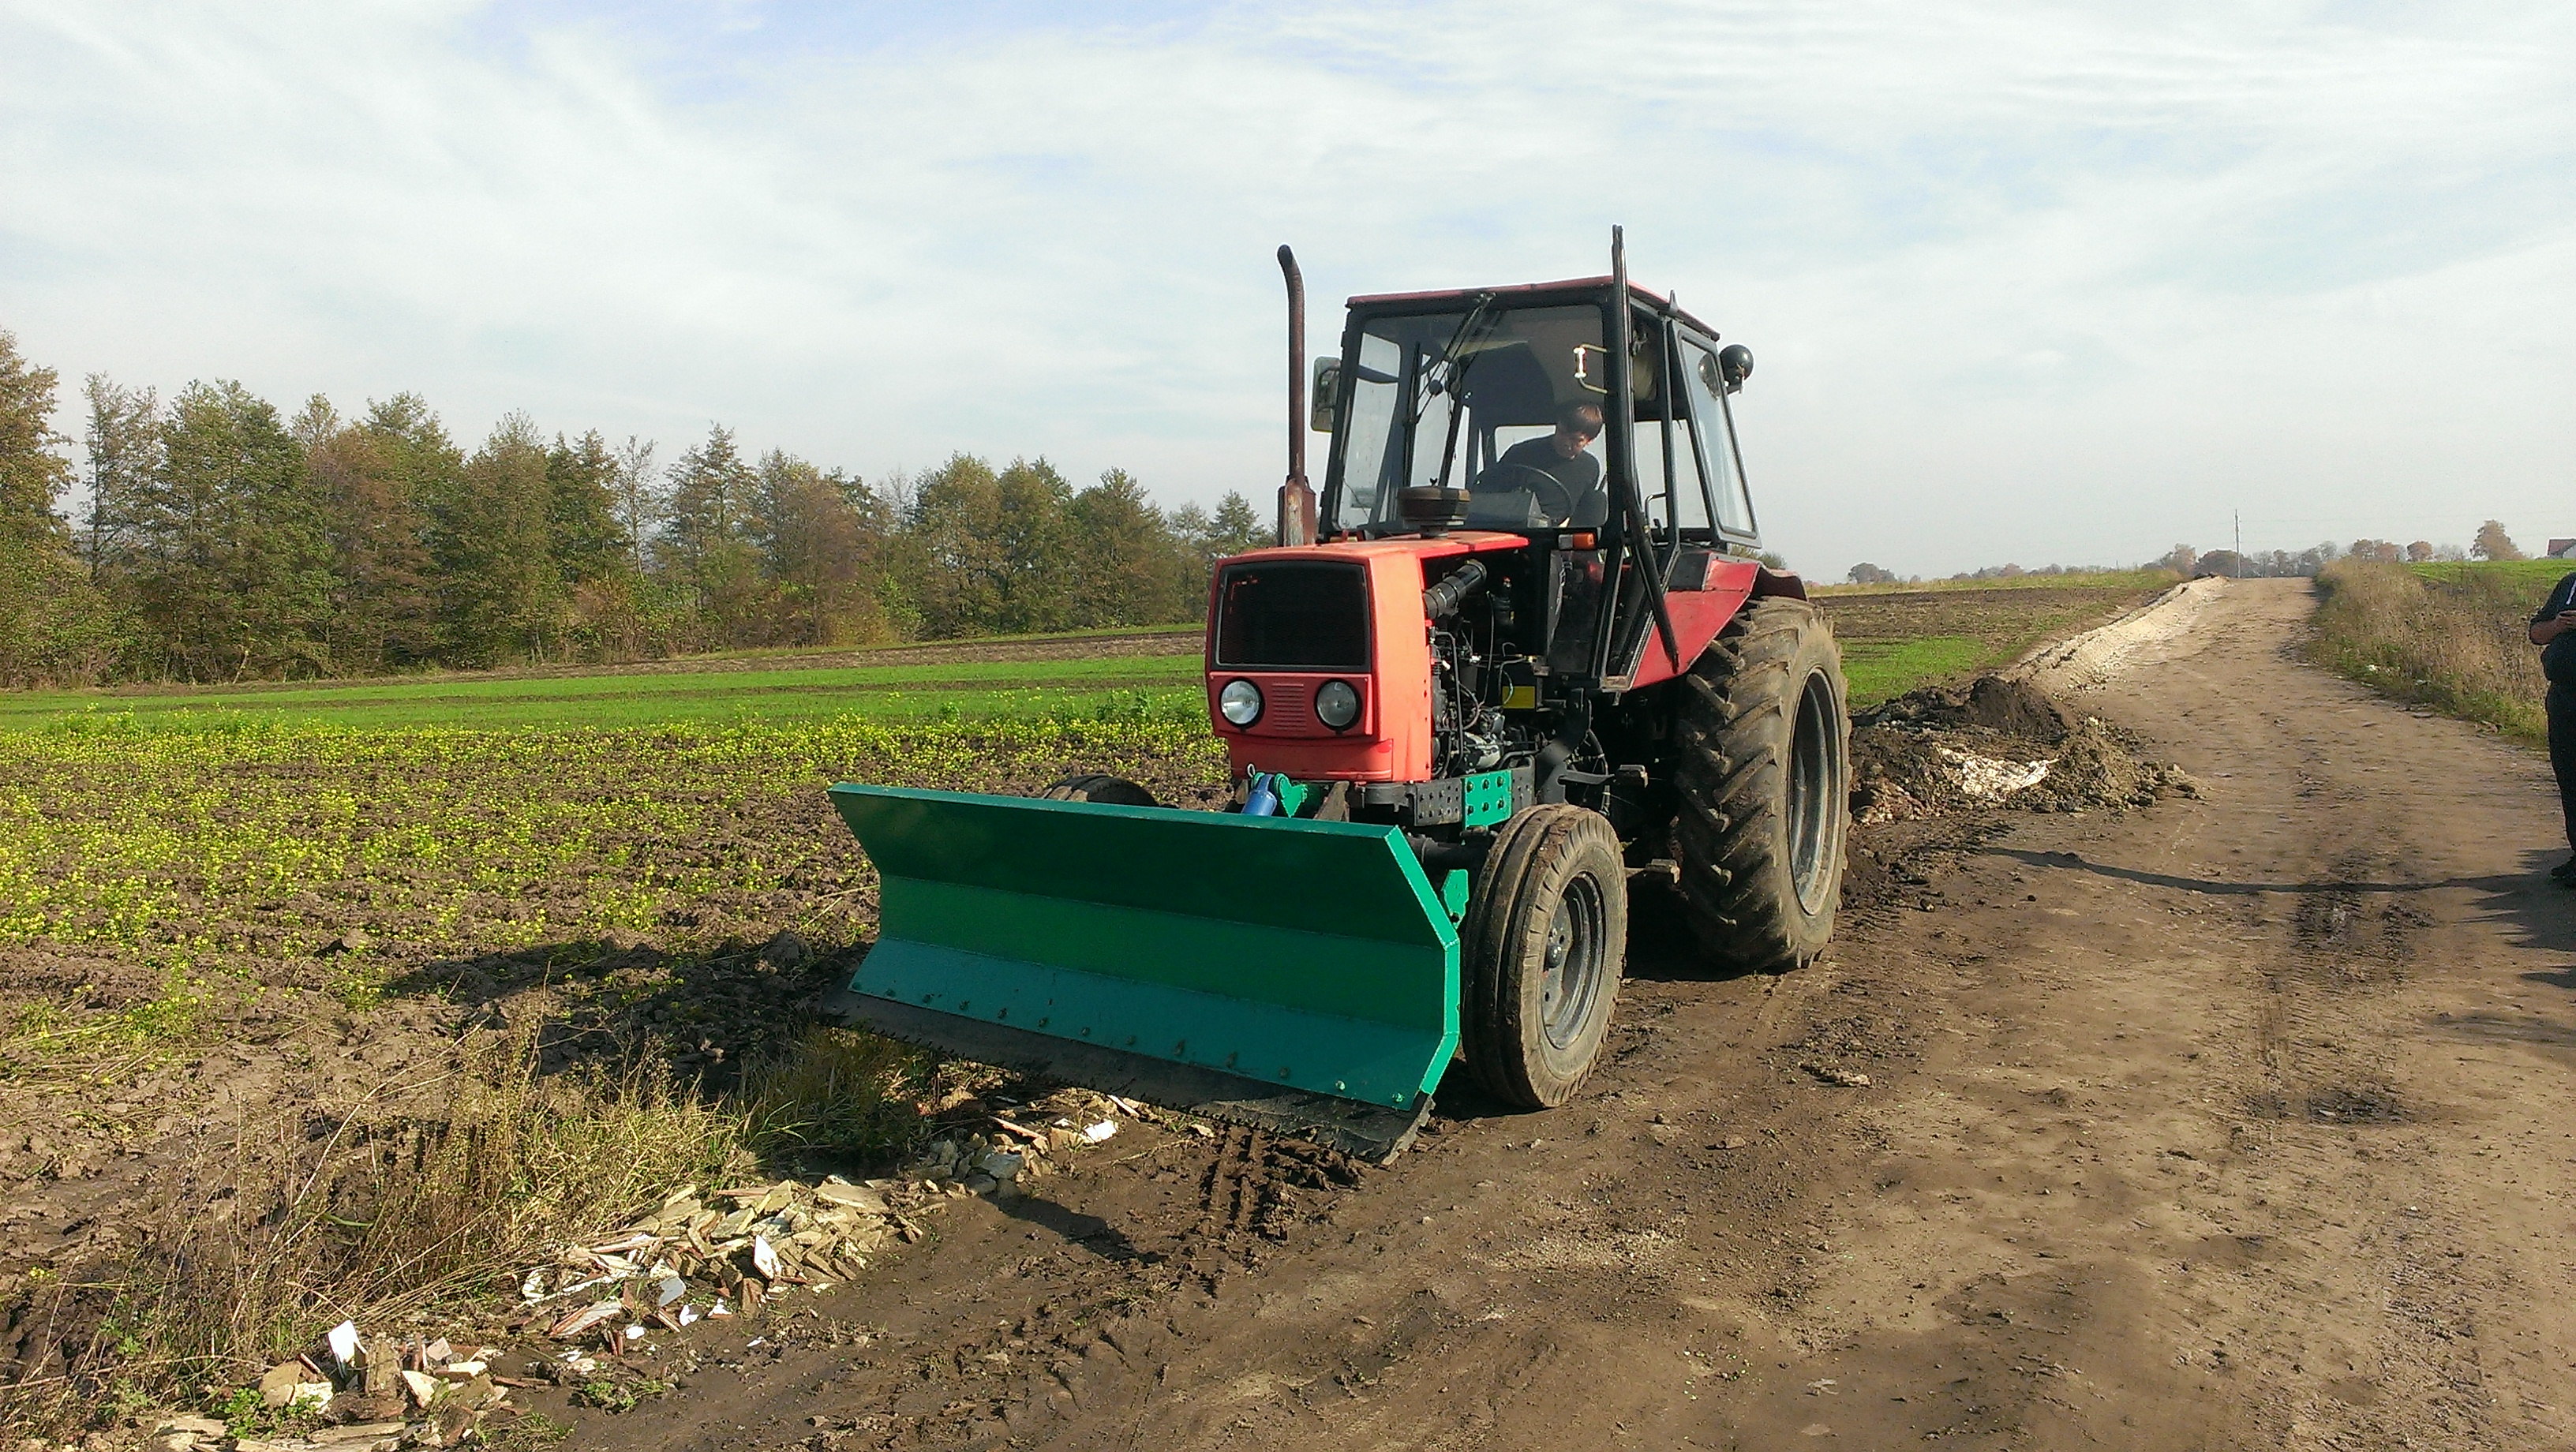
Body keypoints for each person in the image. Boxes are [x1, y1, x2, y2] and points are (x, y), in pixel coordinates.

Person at [1481, 402, 1605, 526]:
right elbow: (1489, 496)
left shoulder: (1590, 468)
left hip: (1559, 538)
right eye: (1562, 432)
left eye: (1575, 440)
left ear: (1590, 440)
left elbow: (1582, 511)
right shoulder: (1521, 454)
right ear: (1557, 425)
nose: (1566, 442)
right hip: (1513, 529)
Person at [2528, 571, 2576, 881]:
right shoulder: (2570, 583)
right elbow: (2536, 633)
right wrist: (2558, 625)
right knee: (2569, 777)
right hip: (2564, 696)